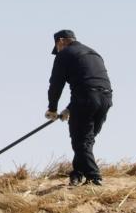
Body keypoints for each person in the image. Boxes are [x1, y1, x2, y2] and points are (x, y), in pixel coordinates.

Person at [46, 30, 112, 186]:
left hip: (86, 99)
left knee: (81, 142)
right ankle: (77, 174)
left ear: (61, 41)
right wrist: (69, 109)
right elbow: (91, 83)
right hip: (106, 99)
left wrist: (52, 109)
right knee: (86, 141)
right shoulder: (93, 53)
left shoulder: (64, 54)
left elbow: (56, 84)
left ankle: (94, 177)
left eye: (57, 47)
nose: (58, 51)